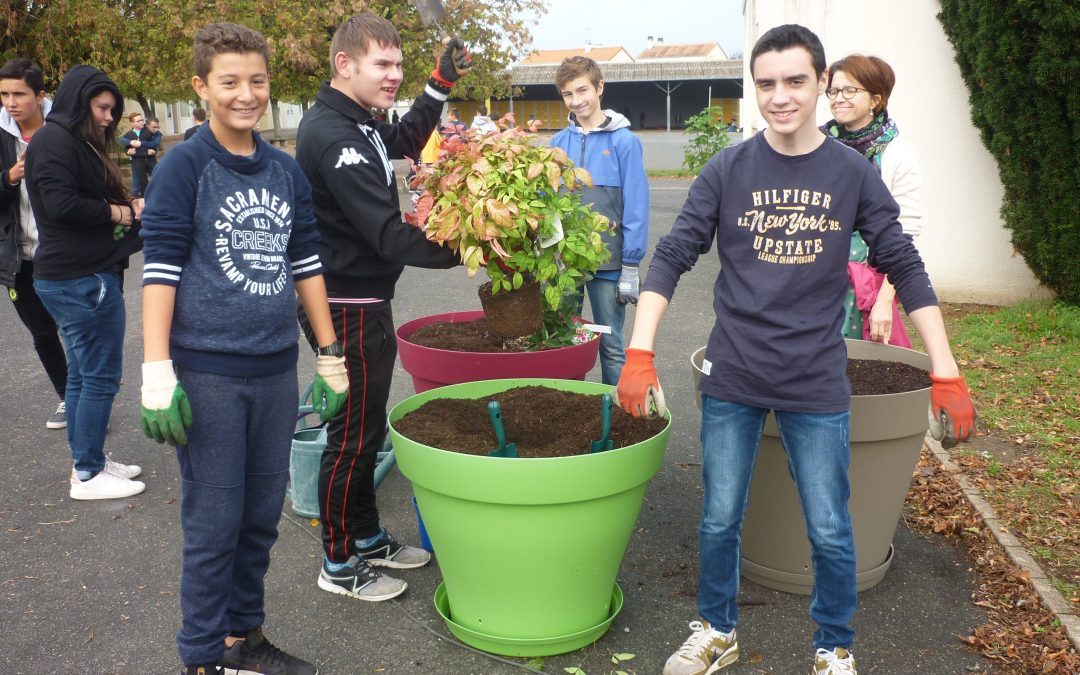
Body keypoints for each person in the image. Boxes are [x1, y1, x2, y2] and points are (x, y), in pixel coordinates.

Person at [615, 25, 977, 675]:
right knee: (721, 516)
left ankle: (833, 645)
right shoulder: (729, 168)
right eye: (766, 84)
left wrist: (945, 370)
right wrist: (639, 353)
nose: (780, 97)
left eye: (795, 81)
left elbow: (906, 264)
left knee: (831, 527)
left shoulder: (851, 174)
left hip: (815, 378)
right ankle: (717, 629)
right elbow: (671, 256)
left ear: (819, 82)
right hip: (735, 373)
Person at [138, 22, 347, 675]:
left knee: (259, 516)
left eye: (256, 80)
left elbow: (307, 264)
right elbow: (160, 274)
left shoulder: (284, 171)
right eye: (229, 81)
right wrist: (154, 370)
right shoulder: (184, 167)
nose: (245, 94)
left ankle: (241, 640)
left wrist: (330, 353)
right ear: (201, 86)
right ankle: (201, 657)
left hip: (273, 369)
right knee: (214, 521)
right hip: (208, 374)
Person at [294, 12, 470, 603]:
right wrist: (473, 245)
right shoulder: (334, 135)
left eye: (399, 64)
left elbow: (403, 137)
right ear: (345, 65)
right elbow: (388, 236)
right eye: (383, 65)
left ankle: (365, 534)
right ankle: (338, 561)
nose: (394, 75)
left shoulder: (360, 121)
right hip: (344, 304)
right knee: (351, 435)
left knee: (366, 428)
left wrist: (437, 85)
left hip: (364, 297)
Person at [24, 64, 145, 500]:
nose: (109, 117)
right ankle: (88, 474)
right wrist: (122, 213)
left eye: (112, 109)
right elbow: (61, 204)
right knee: (98, 377)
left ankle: (88, 458)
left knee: (80, 377)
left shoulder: (66, 139)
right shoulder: (56, 140)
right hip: (80, 279)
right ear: (80, 101)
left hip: (76, 276)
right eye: (102, 107)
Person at [549, 56, 649, 385]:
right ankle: (567, 407)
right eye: (567, 94)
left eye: (582, 90)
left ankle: (617, 420)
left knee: (611, 344)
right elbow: (549, 204)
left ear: (600, 87)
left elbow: (636, 204)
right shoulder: (557, 144)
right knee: (562, 341)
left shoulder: (625, 142)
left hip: (608, 265)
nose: (576, 101)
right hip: (566, 263)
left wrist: (631, 265)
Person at [824, 54, 923, 347]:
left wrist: (883, 301)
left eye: (850, 90)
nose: (838, 98)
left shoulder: (897, 154)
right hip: (815, 281)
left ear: (875, 100)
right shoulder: (817, 146)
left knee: (861, 372)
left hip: (865, 287)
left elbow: (905, 233)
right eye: (833, 91)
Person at [0, 58, 68, 430]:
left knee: (75, 330)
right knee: (42, 333)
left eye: (20, 94)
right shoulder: (0, 135)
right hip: (18, 257)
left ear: (40, 96)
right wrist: (9, 177)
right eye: (4, 94)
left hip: (61, 254)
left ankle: (88, 400)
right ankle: (68, 397)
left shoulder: (63, 132)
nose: (11, 102)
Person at [120, 111, 154, 197]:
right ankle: (138, 202)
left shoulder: (148, 131)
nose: (141, 122)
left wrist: (154, 151)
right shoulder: (129, 134)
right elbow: (125, 147)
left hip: (151, 161)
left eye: (142, 120)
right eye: (138, 121)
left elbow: (154, 145)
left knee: (158, 178)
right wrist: (128, 152)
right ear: (132, 123)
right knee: (138, 184)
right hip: (137, 162)